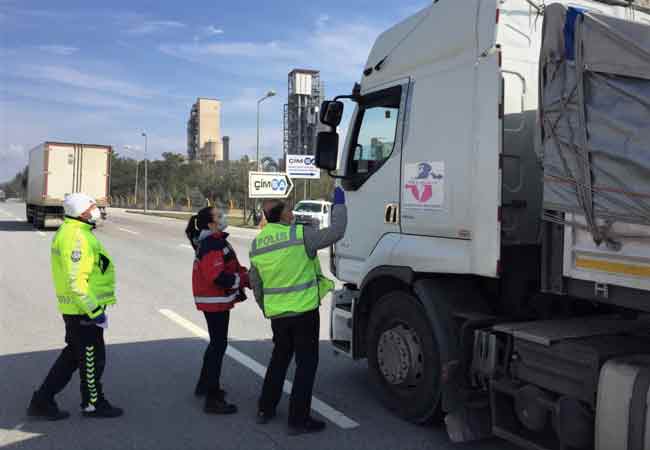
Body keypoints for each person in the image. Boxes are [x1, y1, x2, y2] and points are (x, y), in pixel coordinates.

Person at [250, 187, 347, 435]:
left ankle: (265, 409)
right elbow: (337, 232)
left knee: (279, 360)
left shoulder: (258, 243)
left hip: (279, 316)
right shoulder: (301, 235)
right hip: (304, 313)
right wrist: (339, 206)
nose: (292, 212)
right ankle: (298, 419)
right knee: (305, 365)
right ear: (282, 215)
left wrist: (267, 309)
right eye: (289, 209)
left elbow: (257, 284)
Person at [27, 193, 123, 420]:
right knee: (92, 358)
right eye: (92, 207)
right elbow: (77, 282)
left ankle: (42, 400)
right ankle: (92, 403)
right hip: (83, 310)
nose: (96, 210)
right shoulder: (77, 237)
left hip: (79, 310)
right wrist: (95, 312)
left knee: (73, 357)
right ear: (81, 212)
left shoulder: (75, 232)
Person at [186, 206, 250, 414]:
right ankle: (212, 398)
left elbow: (230, 266)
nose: (223, 218)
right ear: (211, 223)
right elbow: (218, 276)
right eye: (219, 216)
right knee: (218, 346)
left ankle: (204, 385)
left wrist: (244, 275)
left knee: (216, 344)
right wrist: (244, 279)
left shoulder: (213, 240)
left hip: (215, 300)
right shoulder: (212, 243)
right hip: (215, 301)